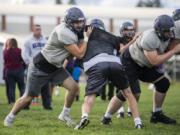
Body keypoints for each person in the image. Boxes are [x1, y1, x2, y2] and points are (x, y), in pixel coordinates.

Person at [4, 7, 87, 127]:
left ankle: (64, 114)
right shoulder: (63, 31)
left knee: (74, 88)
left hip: (55, 67)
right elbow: (79, 54)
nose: (79, 25)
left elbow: (69, 55)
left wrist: (63, 65)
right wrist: (87, 39)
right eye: (76, 22)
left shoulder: (74, 30)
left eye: (81, 21)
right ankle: (10, 117)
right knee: (28, 97)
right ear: (68, 21)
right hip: (40, 67)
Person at [74, 19, 143, 130]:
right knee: (129, 93)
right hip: (115, 63)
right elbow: (121, 50)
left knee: (89, 96)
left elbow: (78, 54)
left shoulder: (83, 38)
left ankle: (84, 117)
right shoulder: (112, 37)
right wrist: (133, 40)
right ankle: (138, 122)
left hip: (97, 64)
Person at [120, 15, 180, 124]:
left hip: (144, 64)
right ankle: (107, 117)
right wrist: (174, 51)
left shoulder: (167, 36)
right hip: (130, 62)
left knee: (163, 83)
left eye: (171, 30)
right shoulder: (150, 38)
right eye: (167, 31)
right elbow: (155, 61)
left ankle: (156, 114)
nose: (171, 33)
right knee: (128, 93)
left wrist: (173, 49)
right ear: (160, 31)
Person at [22, 24, 52, 110]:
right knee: (30, 87)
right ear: (33, 30)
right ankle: (25, 105)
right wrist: (30, 63)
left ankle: (47, 105)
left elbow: (49, 52)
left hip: (44, 67)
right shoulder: (28, 41)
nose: (38, 31)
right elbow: (25, 54)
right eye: (37, 29)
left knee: (46, 86)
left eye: (39, 29)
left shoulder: (45, 41)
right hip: (33, 67)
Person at [116, 21, 141, 118]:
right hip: (121, 69)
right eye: (127, 30)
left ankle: (130, 109)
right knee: (122, 93)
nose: (130, 32)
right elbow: (121, 51)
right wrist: (133, 41)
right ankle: (120, 110)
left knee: (137, 93)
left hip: (133, 69)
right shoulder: (119, 40)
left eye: (131, 30)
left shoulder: (136, 40)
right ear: (122, 31)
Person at [3, 38, 25, 104]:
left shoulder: (5, 51)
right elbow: (22, 60)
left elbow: (5, 61)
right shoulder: (19, 50)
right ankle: (22, 101)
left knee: (11, 88)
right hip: (19, 70)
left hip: (9, 71)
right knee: (21, 87)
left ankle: (12, 101)